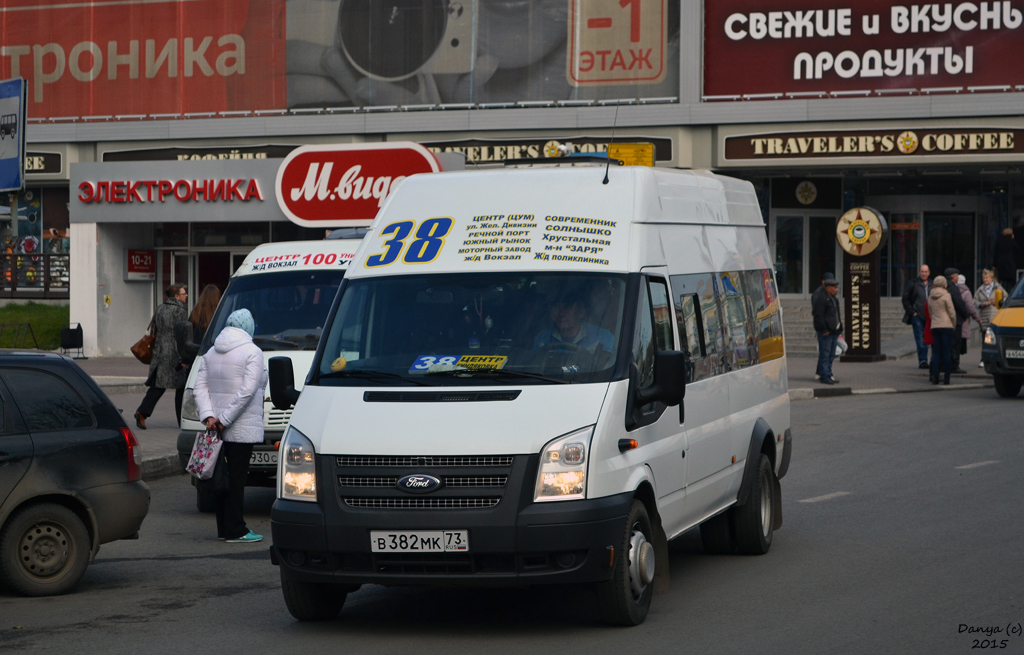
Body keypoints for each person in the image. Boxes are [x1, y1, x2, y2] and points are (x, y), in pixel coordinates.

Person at [193, 309, 267, 544]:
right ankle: (237, 529)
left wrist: (210, 417)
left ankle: (224, 528)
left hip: (215, 429)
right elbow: (248, 391)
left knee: (220, 478)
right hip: (240, 427)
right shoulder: (253, 352)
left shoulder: (211, 352)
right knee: (236, 479)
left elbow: (199, 388)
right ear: (248, 327)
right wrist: (225, 419)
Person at [134, 284, 188, 429]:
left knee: (158, 386)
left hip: (159, 352)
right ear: (176, 296)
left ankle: (142, 412)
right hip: (174, 354)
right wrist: (184, 354)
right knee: (181, 387)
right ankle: (181, 420)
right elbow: (182, 334)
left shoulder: (160, 309)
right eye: (184, 294)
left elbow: (154, 330)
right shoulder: (180, 311)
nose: (186, 296)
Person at [533, 290, 614, 354]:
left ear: (581, 312)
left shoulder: (602, 337)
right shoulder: (542, 339)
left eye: (567, 308)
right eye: (557, 308)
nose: (561, 313)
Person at [811, 273, 842, 385]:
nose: (836, 290)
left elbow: (836, 315)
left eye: (837, 287)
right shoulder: (822, 298)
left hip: (833, 331)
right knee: (825, 354)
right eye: (834, 288)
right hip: (826, 332)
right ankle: (824, 376)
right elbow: (818, 316)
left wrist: (839, 328)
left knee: (831, 355)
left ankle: (828, 373)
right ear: (828, 288)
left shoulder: (833, 299)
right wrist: (824, 329)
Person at [928, 276, 957, 386]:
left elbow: (930, 313)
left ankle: (935, 377)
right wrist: (953, 325)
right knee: (946, 353)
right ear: (944, 284)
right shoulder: (946, 295)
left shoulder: (930, 296)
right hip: (946, 326)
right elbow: (952, 313)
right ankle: (946, 379)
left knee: (935, 353)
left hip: (935, 326)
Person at [974, 268, 1006, 367]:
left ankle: (996, 358)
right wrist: (982, 304)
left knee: (994, 338)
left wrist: (997, 302)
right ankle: (983, 359)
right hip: (984, 316)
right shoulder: (980, 290)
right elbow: (974, 301)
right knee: (985, 338)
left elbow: (1006, 298)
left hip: (995, 316)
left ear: (992, 278)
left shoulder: (998, 288)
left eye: (987, 277)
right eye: (984, 278)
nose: (985, 279)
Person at [902, 264, 931, 369]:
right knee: (920, 339)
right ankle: (923, 360)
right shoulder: (913, 284)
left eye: (926, 271)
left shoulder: (932, 284)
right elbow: (905, 299)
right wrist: (912, 312)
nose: (924, 273)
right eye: (922, 271)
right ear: (919, 272)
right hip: (917, 315)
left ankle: (933, 360)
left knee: (930, 339)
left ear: (929, 273)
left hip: (930, 317)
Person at [943, 267, 971, 374]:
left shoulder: (944, 287)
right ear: (953, 276)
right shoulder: (953, 288)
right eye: (957, 275)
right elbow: (960, 303)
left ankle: (945, 364)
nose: (958, 277)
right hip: (956, 320)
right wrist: (965, 315)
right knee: (955, 344)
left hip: (946, 320)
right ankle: (954, 365)